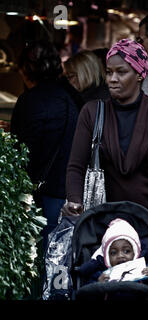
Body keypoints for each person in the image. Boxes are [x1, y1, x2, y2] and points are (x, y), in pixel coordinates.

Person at [62, 39, 148, 231]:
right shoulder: (92, 112)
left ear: (140, 74)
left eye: (121, 72)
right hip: (103, 224)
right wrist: (74, 201)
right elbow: (75, 167)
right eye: (109, 72)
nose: (112, 79)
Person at [10, 40, 80, 247]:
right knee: (61, 260)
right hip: (71, 194)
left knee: (39, 258)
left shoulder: (30, 100)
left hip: (43, 197)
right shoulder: (72, 96)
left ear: (25, 70)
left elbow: (21, 152)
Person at [79, 218, 148, 299]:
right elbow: (85, 296)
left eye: (127, 251)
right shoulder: (101, 273)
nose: (120, 256)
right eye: (113, 253)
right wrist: (98, 286)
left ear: (135, 251)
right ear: (107, 256)